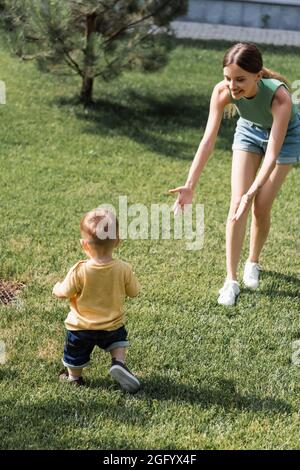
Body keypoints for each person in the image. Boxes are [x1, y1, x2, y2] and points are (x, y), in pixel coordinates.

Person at [170, 42, 300, 306]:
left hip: (285, 138)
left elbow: (272, 154)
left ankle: (253, 261)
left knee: (259, 207)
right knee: (236, 204)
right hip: (249, 131)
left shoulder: (280, 98)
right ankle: (230, 281)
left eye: (240, 79)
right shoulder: (222, 92)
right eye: (228, 78)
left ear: (258, 75)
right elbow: (207, 141)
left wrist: (252, 193)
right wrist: (190, 185)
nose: (232, 86)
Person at [52, 208, 141, 392]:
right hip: (112, 325)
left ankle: (74, 378)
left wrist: (57, 287)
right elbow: (134, 292)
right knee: (118, 344)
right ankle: (119, 362)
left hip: (81, 327)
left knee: (75, 355)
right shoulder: (123, 268)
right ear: (117, 241)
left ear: (85, 245)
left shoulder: (80, 270)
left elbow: (65, 292)